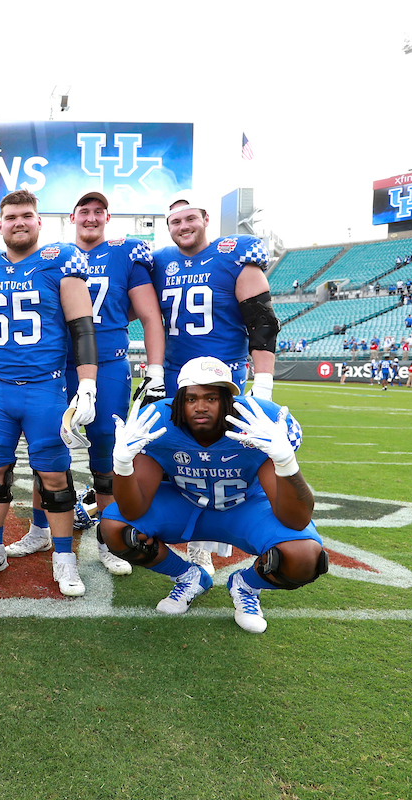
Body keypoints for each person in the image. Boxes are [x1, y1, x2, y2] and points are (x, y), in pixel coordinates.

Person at [98, 356, 325, 634]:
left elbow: (297, 520)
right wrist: (122, 464)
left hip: (246, 507)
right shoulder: (159, 421)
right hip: (186, 502)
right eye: (191, 398)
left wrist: (285, 461)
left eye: (211, 398)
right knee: (116, 528)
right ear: (179, 401)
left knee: (304, 557)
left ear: (227, 400)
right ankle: (189, 577)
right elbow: (133, 511)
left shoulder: (259, 420)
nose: (201, 407)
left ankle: (247, 586)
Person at [4, 190, 165, 578]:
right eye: (84, 211)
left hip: (107, 364)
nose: (91, 217)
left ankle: (111, 539)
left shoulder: (125, 253)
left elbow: (147, 313)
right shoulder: (53, 255)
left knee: (106, 460)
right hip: (58, 365)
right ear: (71, 218)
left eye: (99, 211)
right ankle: (39, 530)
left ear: (108, 218)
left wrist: (155, 370)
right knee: (47, 452)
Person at [0, 189, 97, 597]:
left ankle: (64, 558)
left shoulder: (60, 260)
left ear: (39, 221)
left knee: (54, 475)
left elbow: (82, 327)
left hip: (45, 387)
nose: (19, 222)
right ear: (0, 224)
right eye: (11, 216)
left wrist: (87, 383)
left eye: (26, 215)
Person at [148, 191, 280, 572]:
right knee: (172, 457)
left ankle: (208, 542)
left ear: (206, 218)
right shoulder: (159, 262)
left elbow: (262, 322)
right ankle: (176, 530)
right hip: (175, 378)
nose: (184, 226)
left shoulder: (234, 253)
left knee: (224, 460)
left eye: (190, 218)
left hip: (225, 378)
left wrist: (264, 384)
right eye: (175, 221)